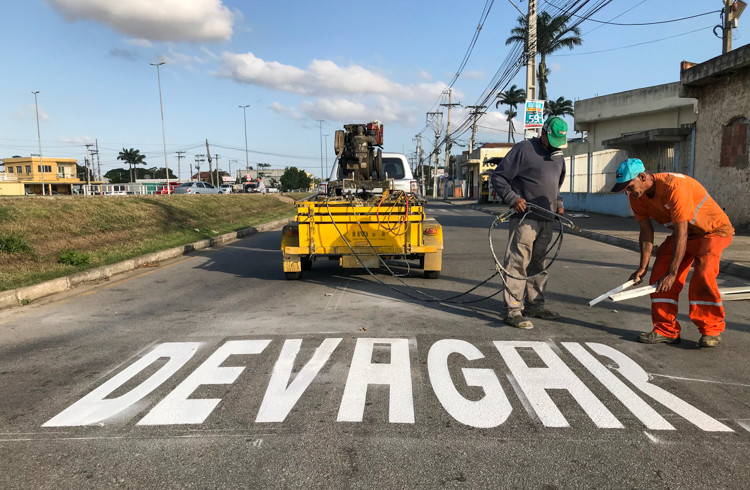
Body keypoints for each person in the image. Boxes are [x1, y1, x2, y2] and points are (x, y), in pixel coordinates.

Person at [611, 158, 734, 348]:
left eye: (629, 187)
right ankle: (665, 330)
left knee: (703, 275)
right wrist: (642, 267)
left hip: (713, 231)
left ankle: (711, 330)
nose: (627, 192)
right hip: (686, 234)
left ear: (642, 177)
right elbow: (646, 231)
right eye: (624, 189)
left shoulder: (674, 187)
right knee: (659, 274)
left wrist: (673, 273)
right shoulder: (637, 198)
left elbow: (682, 233)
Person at [490, 116, 568, 330]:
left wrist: (559, 204)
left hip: (547, 218)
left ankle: (535, 305)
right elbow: (498, 177)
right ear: (543, 133)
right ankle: (513, 309)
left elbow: (556, 186)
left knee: (539, 264)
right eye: (551, 140)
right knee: (517, 263)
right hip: (525, 219)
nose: (554, 146)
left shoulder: (559, 157)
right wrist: (513, 198)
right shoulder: (524, 149)